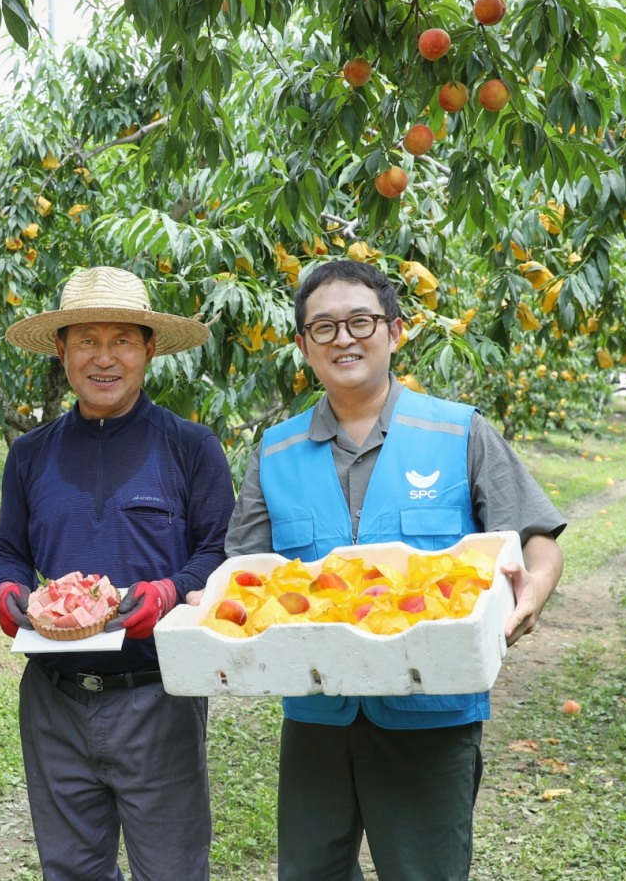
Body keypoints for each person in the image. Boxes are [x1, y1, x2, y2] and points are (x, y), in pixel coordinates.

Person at [222, 258, 566, 881]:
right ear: (302, 345)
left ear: (396, 331)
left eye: (360, 321)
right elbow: (244, 574)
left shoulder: (456, 431)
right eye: (323, 328)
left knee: (424, 870)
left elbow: (539, 539)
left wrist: (532, 593)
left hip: (430, 705)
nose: (343, 339)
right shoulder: (275, 450)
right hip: (317, 708)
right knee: (310, 870)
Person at [0, 266, 233, 881]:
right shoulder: (30, 454)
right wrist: (9, 589)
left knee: (171, 870)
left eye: (122, 340)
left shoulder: (190, 446)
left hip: (158, 692)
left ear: (149, 349)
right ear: (61, 350)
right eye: (86, 340)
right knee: (70, 868)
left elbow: (220, 553)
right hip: (53, 698)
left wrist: (169, 591)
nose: (104, 358)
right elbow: (11, 550)